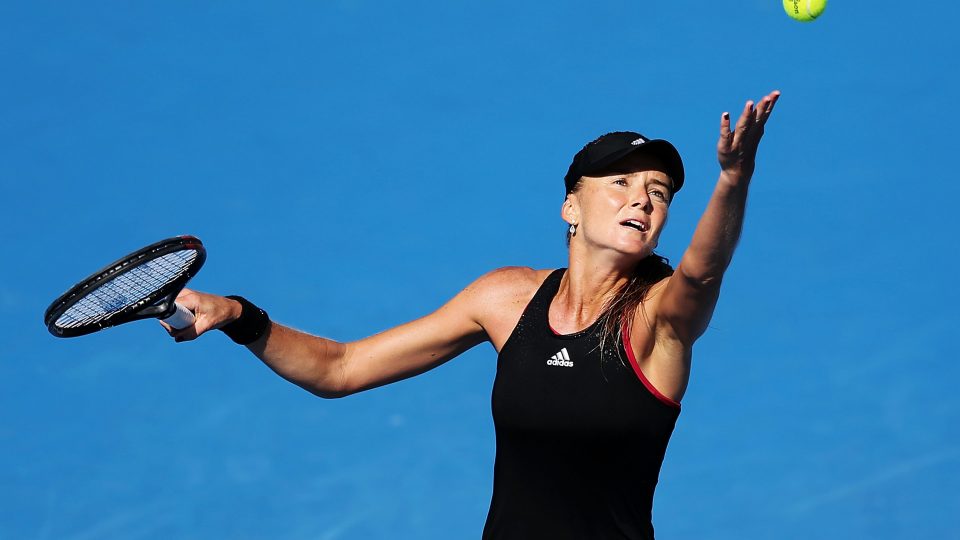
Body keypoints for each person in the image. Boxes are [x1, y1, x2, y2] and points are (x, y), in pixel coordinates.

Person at [164, 90, 781, 539]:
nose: (642, 199)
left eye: (659, 192)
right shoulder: (505, 298)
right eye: (619, 182)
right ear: (572, 207)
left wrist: (733, 178)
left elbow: (701, 272)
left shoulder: (658, 318)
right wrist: (239, 316)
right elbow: (341, 369)